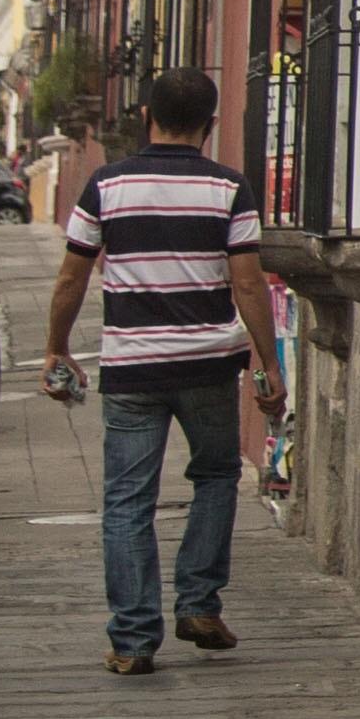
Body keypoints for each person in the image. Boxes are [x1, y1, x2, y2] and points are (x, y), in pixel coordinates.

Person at [47, 67, 276, 679]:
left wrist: (56, 349)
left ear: (146, 115)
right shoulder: (230, 189)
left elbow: (72, 276)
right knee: (218, 475)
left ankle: (132, 639)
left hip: (132, 369)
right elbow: (247, 281)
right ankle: (199, 602)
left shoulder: (104, 185)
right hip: (207, 366)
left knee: (127, 501)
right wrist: (269, 362)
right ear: (212, 124)